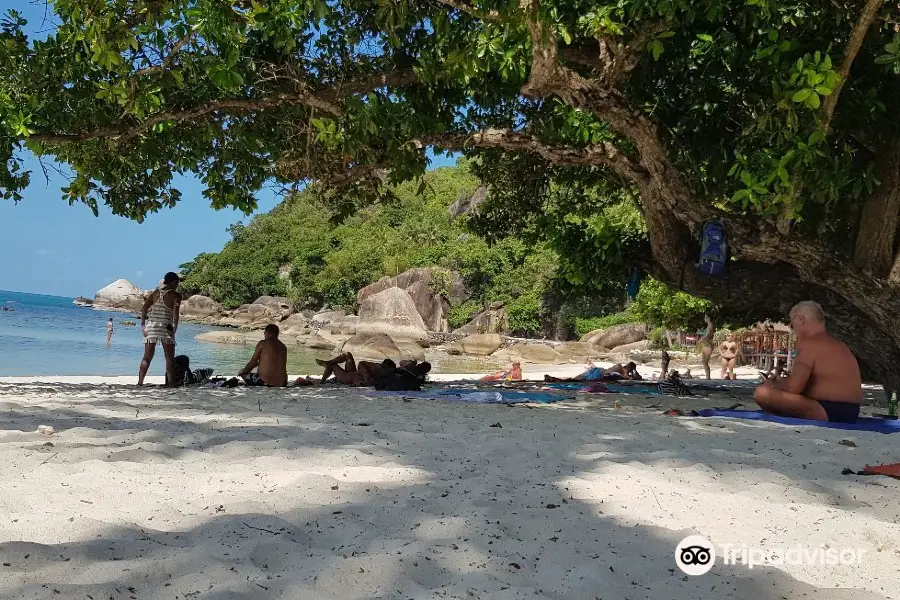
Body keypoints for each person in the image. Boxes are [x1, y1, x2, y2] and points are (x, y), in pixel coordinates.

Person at [753, 301, 862, 423]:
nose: (792, 327)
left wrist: (772, 385)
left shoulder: (809, 342)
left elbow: (794, 388)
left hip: (827, 410)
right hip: (851, 411)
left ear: (800, 319)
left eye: (792, 322)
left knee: (761, 393)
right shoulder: (836, 342)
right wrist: (782, 382)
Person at [138, 272, 182, 386]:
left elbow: (144, 308)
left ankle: (140, 382)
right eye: (177, 282)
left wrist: (143, 325)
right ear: (171, 282)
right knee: (169, 358)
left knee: (147, 357)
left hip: (151, 327)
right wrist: (175, 329)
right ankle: (171, 384)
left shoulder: (155, 293)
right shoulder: (176, 295)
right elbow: (176, 315)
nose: (178, 284)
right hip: (165, 328)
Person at [316, 352, 395, 386]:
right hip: (353, 373)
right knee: (348, 354)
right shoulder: (380, 371)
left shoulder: (379, 371)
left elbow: (361, 364)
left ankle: (322, 381)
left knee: (332, 364)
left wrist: (366, 378)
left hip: (347, 378)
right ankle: (327, 363)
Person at [696, 314, 715, 379]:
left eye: (705, 317)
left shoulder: (710, 326)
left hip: (708, 345)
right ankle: (707, 377)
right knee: (704, 361)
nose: (704, 318)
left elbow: (707, 335)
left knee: (705, 361)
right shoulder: (708, 326)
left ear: (709, 318)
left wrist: (700, 340)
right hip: (705, 345)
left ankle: (708, 377)